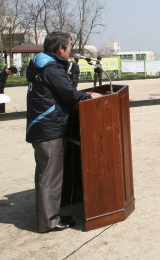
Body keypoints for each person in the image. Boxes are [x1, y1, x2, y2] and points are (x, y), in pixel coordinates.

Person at [26, 31, 101, 233]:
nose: (70, 50)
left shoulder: (43, 66)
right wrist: (89, 96)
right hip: (48, 128)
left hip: (45, 127)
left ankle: (50, 215)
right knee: (49, 176)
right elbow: (70, 94)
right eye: (69, 46)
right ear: (60, 49)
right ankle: (49, 221)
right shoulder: (50, 68)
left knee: (46, 174)